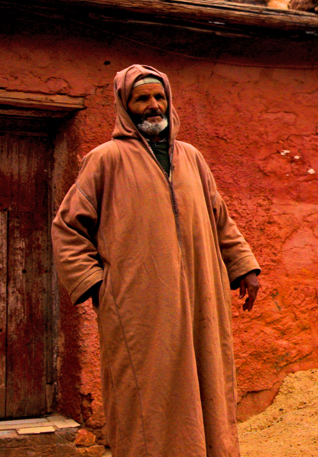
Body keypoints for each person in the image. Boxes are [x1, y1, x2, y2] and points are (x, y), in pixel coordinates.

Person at [52, 65, 261, 457]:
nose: (153, 106)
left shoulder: (192, 158)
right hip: (138, 304)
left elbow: (220, 217)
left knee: (207, 380)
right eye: (142, 98)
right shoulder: (105, 159)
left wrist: (244, 267)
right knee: (147, 389)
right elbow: (67, 228)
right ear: (124, 105)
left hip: (202, 294)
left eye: (159, 97)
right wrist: (100, 285)